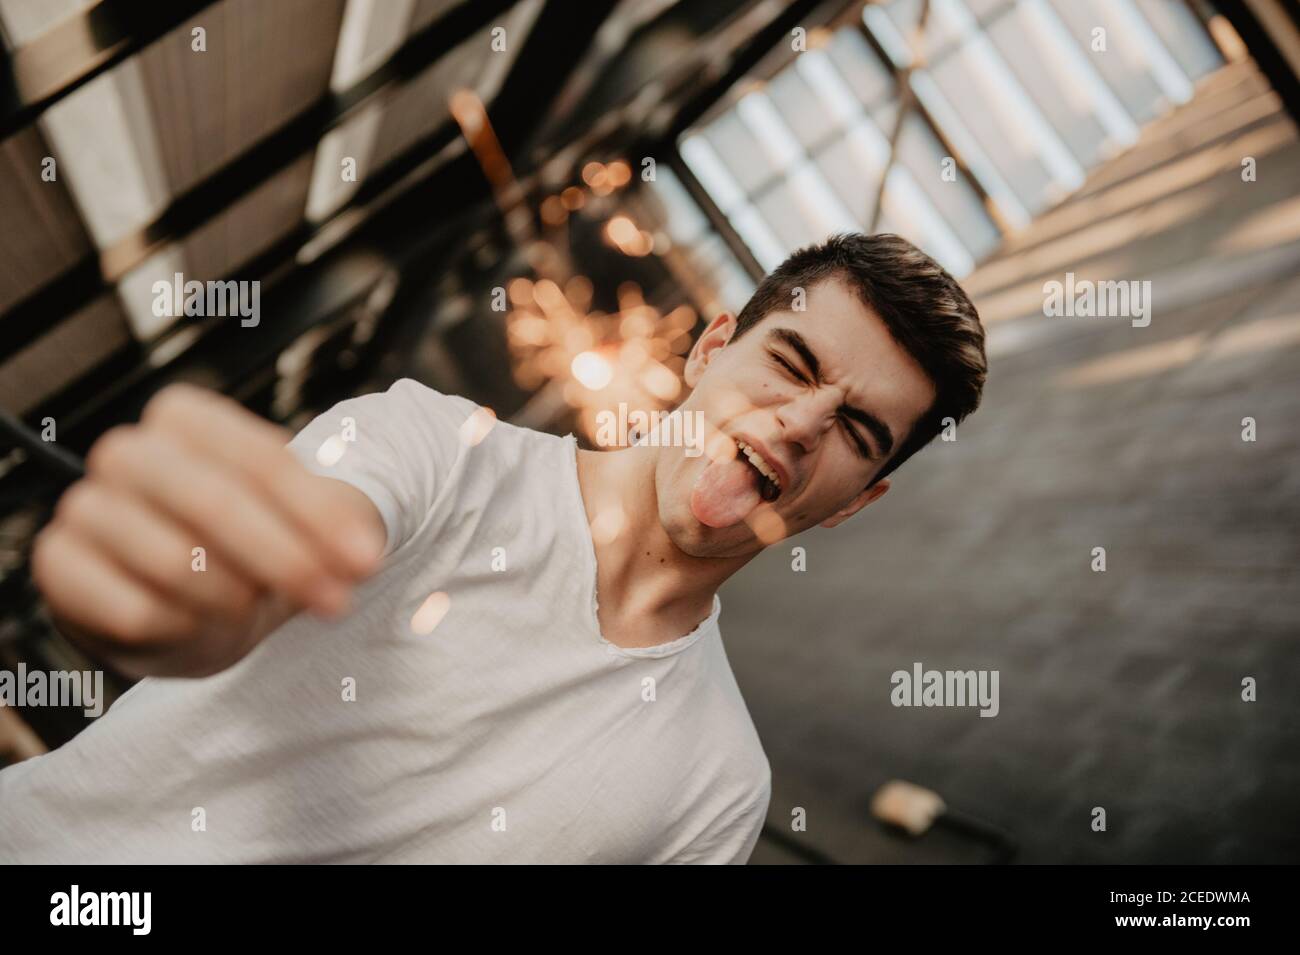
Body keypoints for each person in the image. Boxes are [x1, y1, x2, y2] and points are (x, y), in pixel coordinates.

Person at [0, 233, 986, 863]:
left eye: (857, 433)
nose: (802, 422)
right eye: (791, 362)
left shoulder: (719, 788)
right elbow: (302, 534)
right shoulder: (431, 447)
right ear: (708, 346)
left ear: (861, 500)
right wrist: (204, 581)